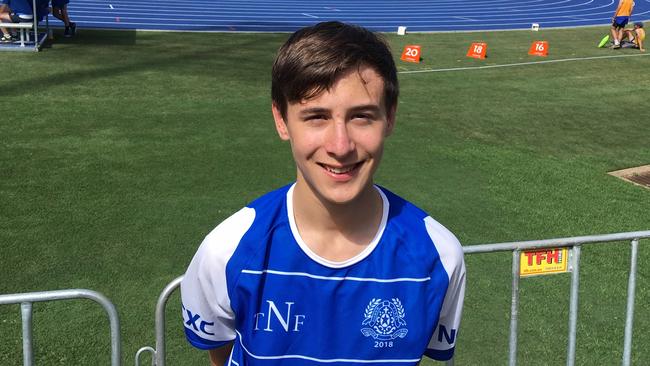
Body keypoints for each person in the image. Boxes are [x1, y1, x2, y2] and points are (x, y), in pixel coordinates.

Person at [180, 21, 466, 366]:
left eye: (361, 116)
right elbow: (221, 354)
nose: (340, 146)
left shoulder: (440, 257)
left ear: (389, 117)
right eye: (316, 117)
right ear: (281, 120)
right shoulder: (224, 253)